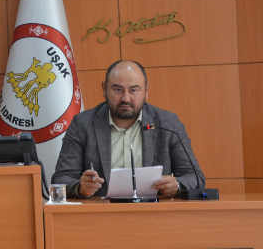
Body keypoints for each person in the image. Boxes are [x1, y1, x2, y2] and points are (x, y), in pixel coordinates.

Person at [52, 60, 204, 198]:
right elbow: (61, 178)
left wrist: (177, 186)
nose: (125, 98)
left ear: (146, 91)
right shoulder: (83, 124)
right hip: (101, 214)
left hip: (153, 214)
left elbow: (195, 176)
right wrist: (80, 187)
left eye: (133, 90)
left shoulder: (168, 124)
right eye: (118, 90)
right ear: (104, 89)